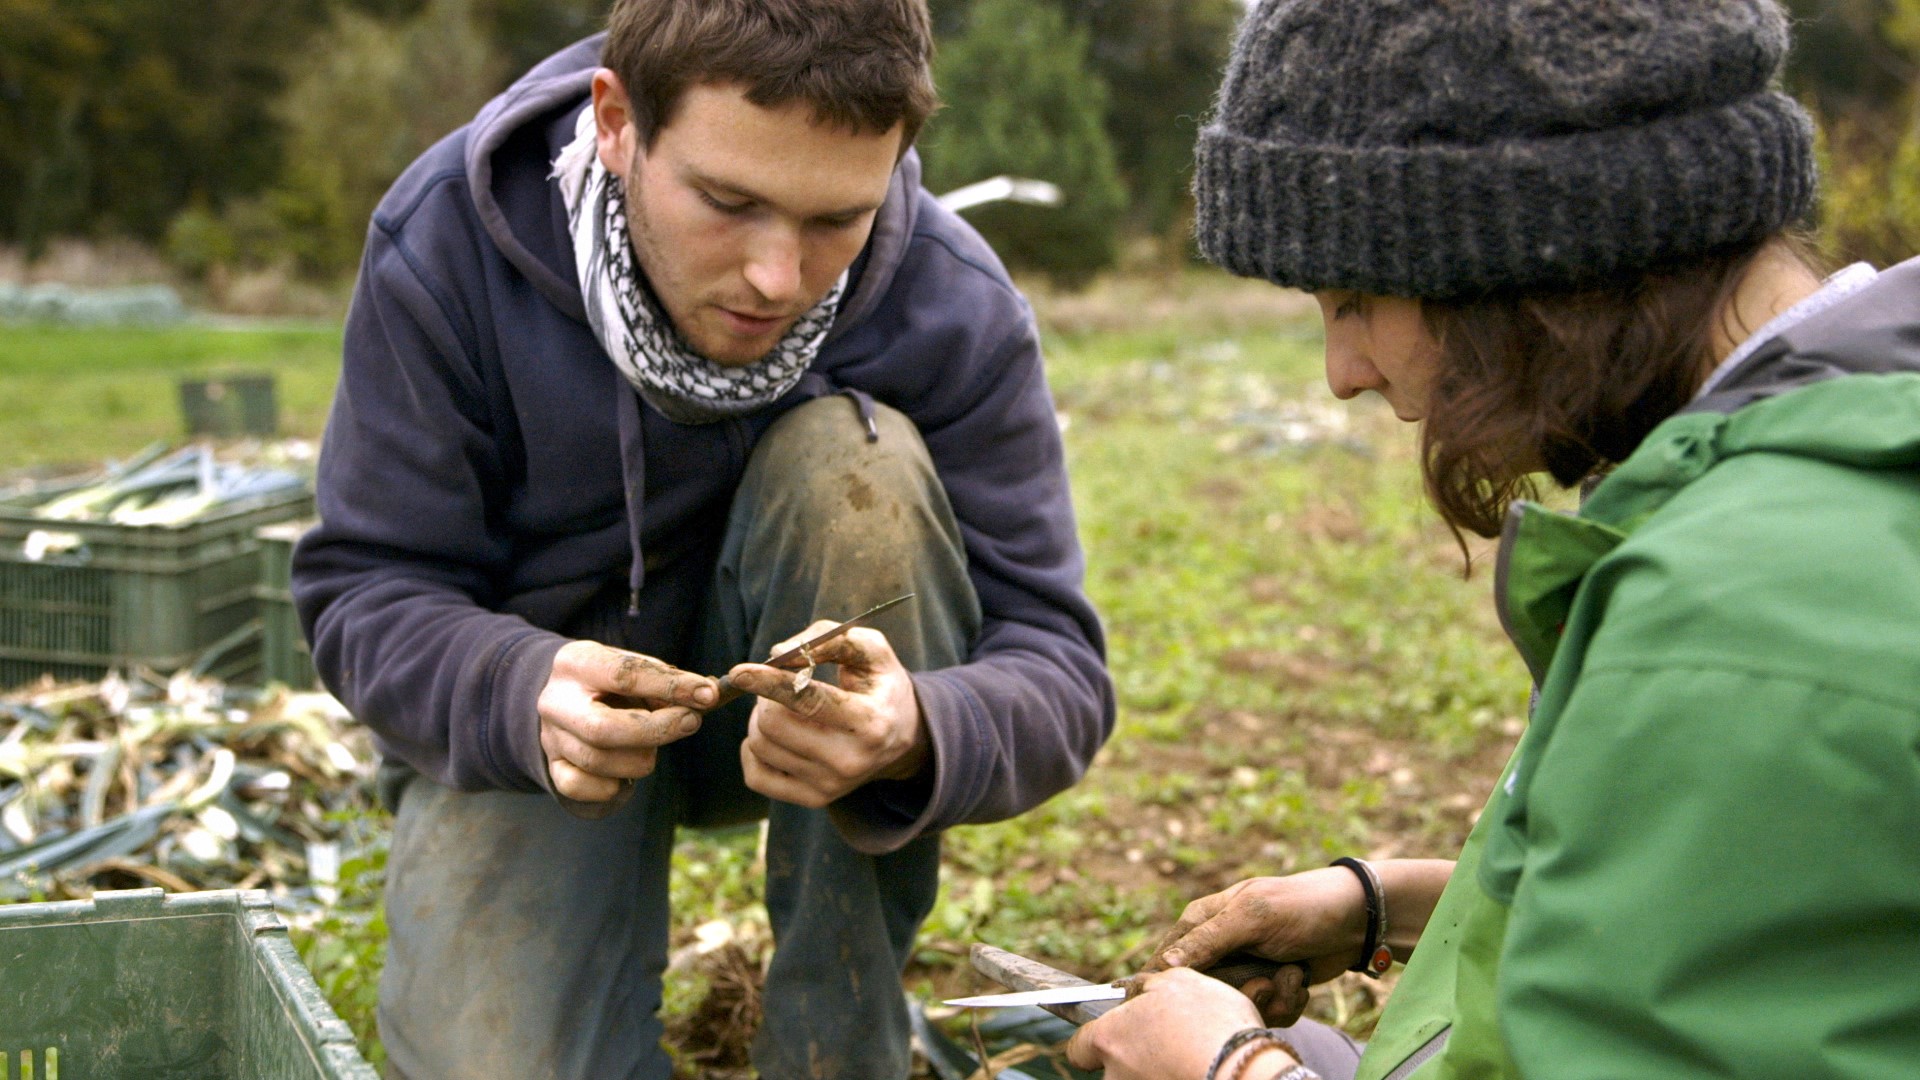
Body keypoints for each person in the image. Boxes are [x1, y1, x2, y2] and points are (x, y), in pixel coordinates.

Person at [1064, 1, 1920, 1078]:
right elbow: (1757, 925)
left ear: (1529, 253)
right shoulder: (1852, 436)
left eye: (1358, 299)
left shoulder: (1744, 618)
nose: (1344, 373)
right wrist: (1396, 902)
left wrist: (1234, 1071)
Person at [289, 0, 1115, 1076]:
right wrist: (512, 688)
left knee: (856, 468)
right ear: (618, 121)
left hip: (799, 731)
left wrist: (916, 728)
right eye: (729, 203)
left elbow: (1061, 669)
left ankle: (836, 1047)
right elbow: (367, 587)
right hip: (546, 721)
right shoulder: (448, 242)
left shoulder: (952, 303)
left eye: (836, 220)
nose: (779, 276)